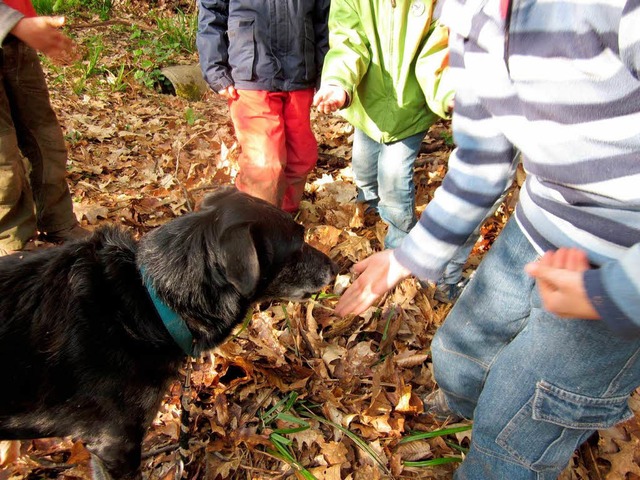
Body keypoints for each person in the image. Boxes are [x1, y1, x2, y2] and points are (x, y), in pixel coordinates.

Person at [334, 0, 640, 476]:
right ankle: (461, 413)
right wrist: (407, 256)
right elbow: (481, 160)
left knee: (513, 435)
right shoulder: (469, 18)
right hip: (538, 226)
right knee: (458, 354)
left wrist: (614, 294)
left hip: (622, 261)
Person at [313, 0, 454, 250]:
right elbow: (348, 42)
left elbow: (436, 52)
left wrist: (447, 91)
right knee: (364, 169)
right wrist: (337, 83)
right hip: (370, 108)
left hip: (410, 108)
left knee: (394, 181)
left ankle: (400, 244)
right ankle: (367, 212)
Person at [197, 0, 330, 214]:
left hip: (300, 71)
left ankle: (284, 221)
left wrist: (328, 76)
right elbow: (212, 12)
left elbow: (325, 19)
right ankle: (254, 222)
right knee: (264, 163)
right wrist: (215, 69)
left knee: (301, 156)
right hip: (251, 72)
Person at [0, 1, 89, 256]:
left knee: (46, 139)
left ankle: (59, 222)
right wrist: (12, 21)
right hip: (15, 26)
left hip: (17, 40)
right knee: (3, 156)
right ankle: (12, 242)